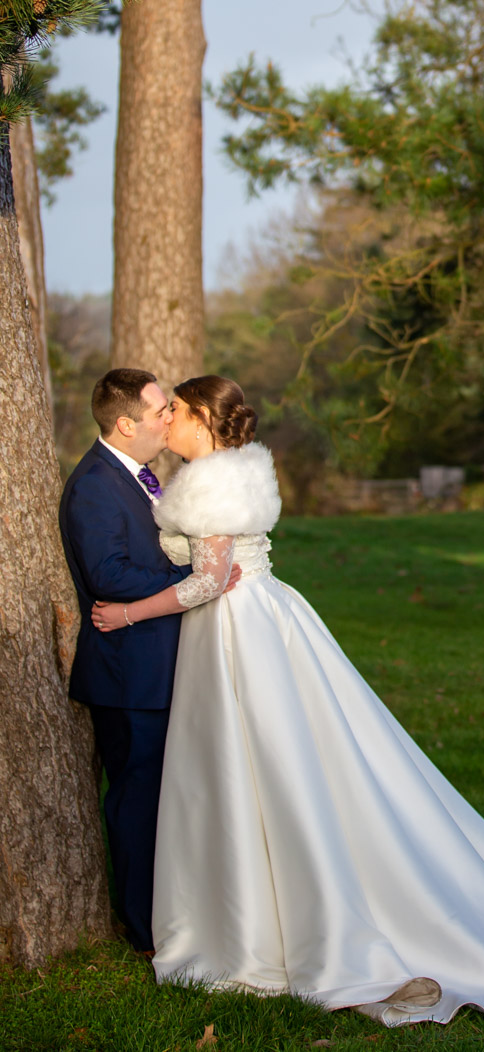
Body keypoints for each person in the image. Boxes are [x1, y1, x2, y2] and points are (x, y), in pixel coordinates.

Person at [92, 374, 484, 1025]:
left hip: (234, 629)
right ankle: (252, 899)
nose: (170, 423)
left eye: (179, 413)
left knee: (253, 763)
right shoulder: (234, 470)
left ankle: (266, 917)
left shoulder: (215, 482)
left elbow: (213, 579)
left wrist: (129, 614)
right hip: (257, 617)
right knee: (258, 765)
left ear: (203, 419)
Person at [59, 368, 240, 952]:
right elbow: (107, 574)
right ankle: (143, 929)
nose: (169, 419)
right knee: (138, 802)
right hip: (128, 674)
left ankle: (174, 911)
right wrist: (191, 578)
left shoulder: (142, 477)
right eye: (161, 411)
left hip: (162, 665)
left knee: (169, 796)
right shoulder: (93, 484)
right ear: (125, 422)